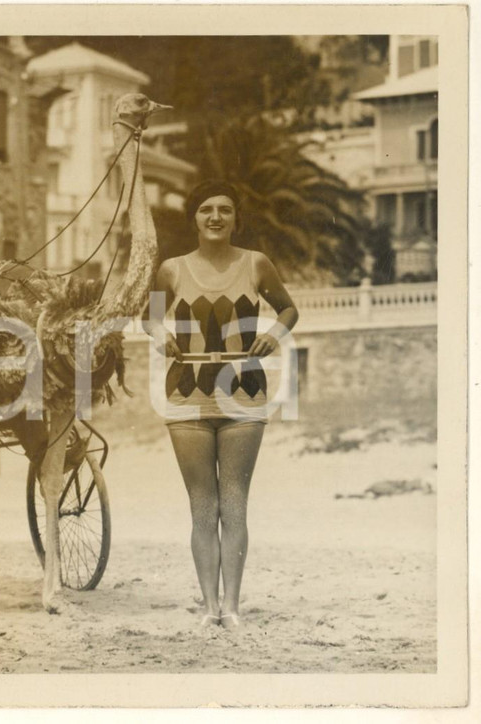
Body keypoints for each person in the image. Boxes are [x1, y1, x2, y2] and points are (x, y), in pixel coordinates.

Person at [144, 180, 299, 632]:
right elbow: (151, 317)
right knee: (201, 505)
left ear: (235, 218)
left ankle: (232, 605)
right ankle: (208, 604)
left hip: (244, 394)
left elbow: (287, 309)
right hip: (186, 395)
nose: (215, 217)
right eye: (207, 209)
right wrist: (162, 337)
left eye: (225, 210)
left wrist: (273, 335)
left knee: (234, 505)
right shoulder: (171, 270)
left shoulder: (256, 264)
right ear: (194, 217)